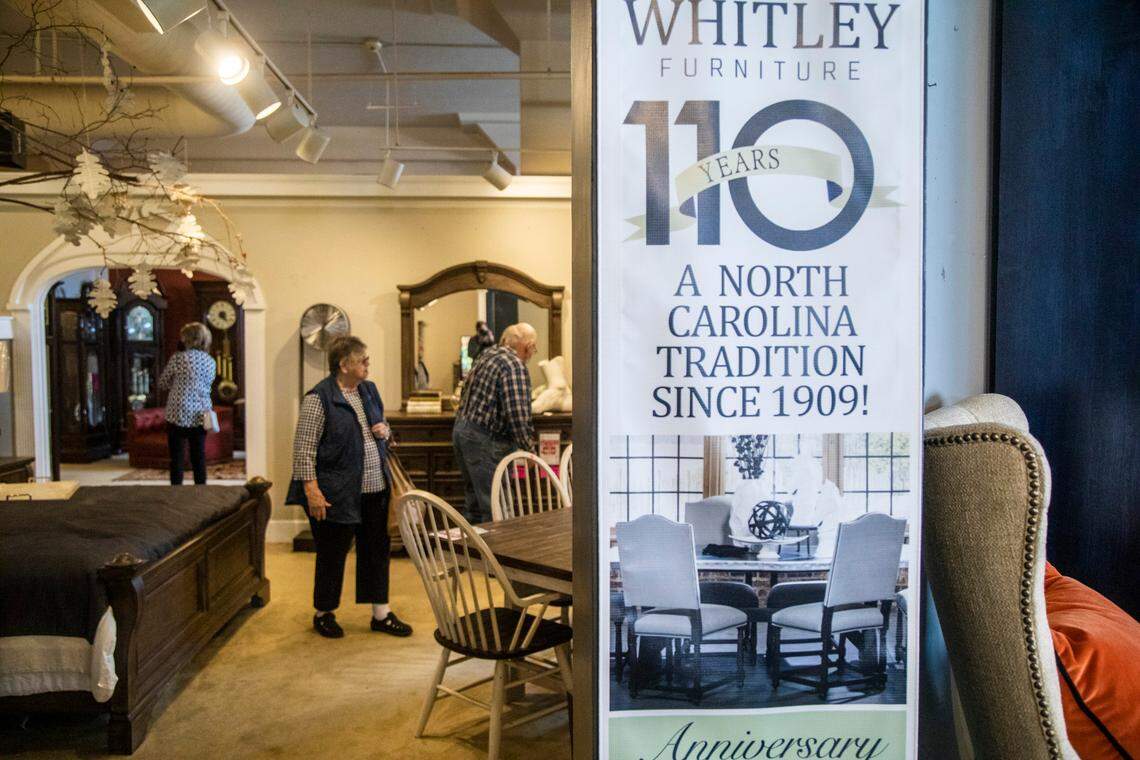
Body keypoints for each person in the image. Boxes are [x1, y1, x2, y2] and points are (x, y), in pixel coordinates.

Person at [286, 335, 413, 640]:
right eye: (362, 360)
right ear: (344, 365)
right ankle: (324, 612)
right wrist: (312, 491)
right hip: (336, 493)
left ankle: (381, 614)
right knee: (332, 553)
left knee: (376, 551)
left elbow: (383, 431)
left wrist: (386, 431)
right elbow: (303, 450)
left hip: (375, 488)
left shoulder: (368, 390)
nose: (368, 364)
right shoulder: (319, 398)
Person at [452, 322, 537, 524]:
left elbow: (464, 394)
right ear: (528, 346)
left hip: (462, 432)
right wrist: (529, 449)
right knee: (497, 508)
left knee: (474, 503)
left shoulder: (486, 355)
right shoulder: (514, 365)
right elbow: (517, 414)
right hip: (486, 440)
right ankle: (498, 547)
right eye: (534, 348)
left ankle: (472, 545)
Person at [158, 322, 216, 486]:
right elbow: (206, 385)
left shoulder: (178, 358)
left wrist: (177, 385)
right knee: (199, 456)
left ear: (188, 339)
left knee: (176, 457)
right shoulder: (210, 361)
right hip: (201, 412)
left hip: (177, 412)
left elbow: (162, 383)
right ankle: (201, 490)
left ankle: (176, 492)